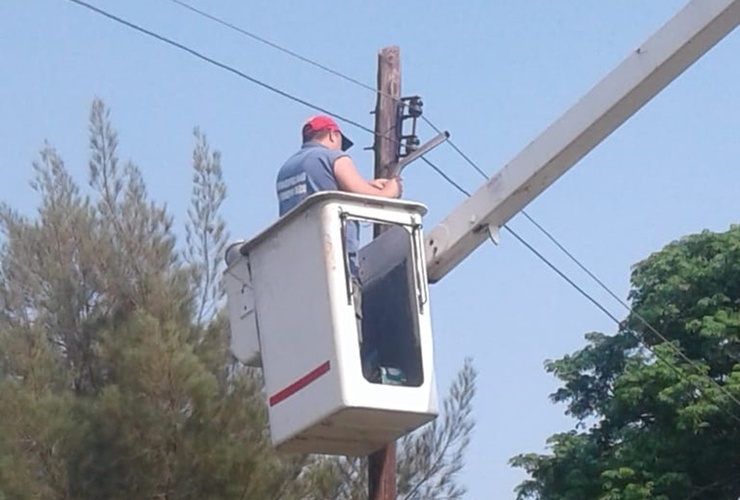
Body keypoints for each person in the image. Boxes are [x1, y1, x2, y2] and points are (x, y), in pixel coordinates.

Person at [276, 115, 402, 381]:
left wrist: (368, 183)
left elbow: (324, 190)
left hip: (299, 272)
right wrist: (392, 189)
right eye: (339, 143)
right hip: (337, 267)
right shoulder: (334, 158)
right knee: (346, 335)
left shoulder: (287, 171)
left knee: (318, 341)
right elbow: (370, 199)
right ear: (333, 135)